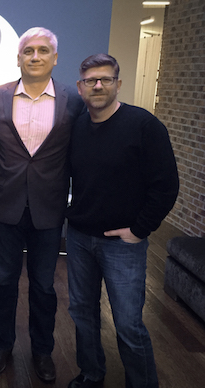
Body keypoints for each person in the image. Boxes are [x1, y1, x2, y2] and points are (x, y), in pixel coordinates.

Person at [65, 53, 179, 388]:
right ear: (80, 87)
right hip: (80, 237)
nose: (98, 85)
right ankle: (91, 374)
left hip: (123, 244)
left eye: (106, 79)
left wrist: (140, 229)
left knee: (128, 324)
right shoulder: (77, 127)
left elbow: (166, 185)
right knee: (82, 314)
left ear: (118, 83)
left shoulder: (144, 126)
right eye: (91, 80)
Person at [0, 27, 84, 382]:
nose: (36, 56)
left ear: (55, 58)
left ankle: (43, 351)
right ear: (19, 57)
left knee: (44, 285)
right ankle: (2, 345)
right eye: (29, 51)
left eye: (43, 51)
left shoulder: (74, 100)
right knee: (4, 282)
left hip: (49, 207)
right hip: (6, 205)